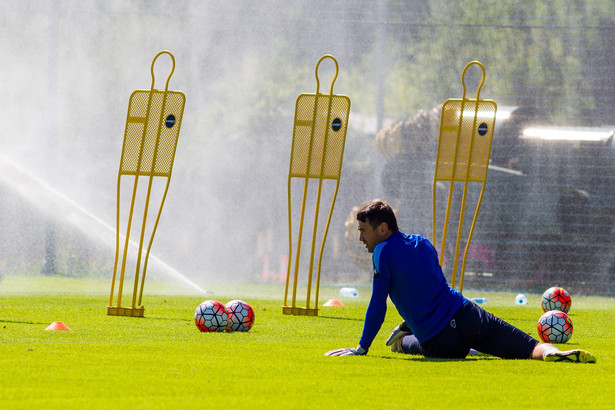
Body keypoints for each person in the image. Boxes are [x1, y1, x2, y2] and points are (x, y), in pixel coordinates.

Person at [325, 200, 596, 363]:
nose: (361, 238)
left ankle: (403, 336)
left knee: (403, 345)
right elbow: (430, 286)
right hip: (467, 314)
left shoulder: (383, 251)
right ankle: (552, 352)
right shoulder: (423, 242)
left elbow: (377, 303)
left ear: (383, 229)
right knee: (528, 347)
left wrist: (362, 347)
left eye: (363, 231)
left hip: (441, 341)